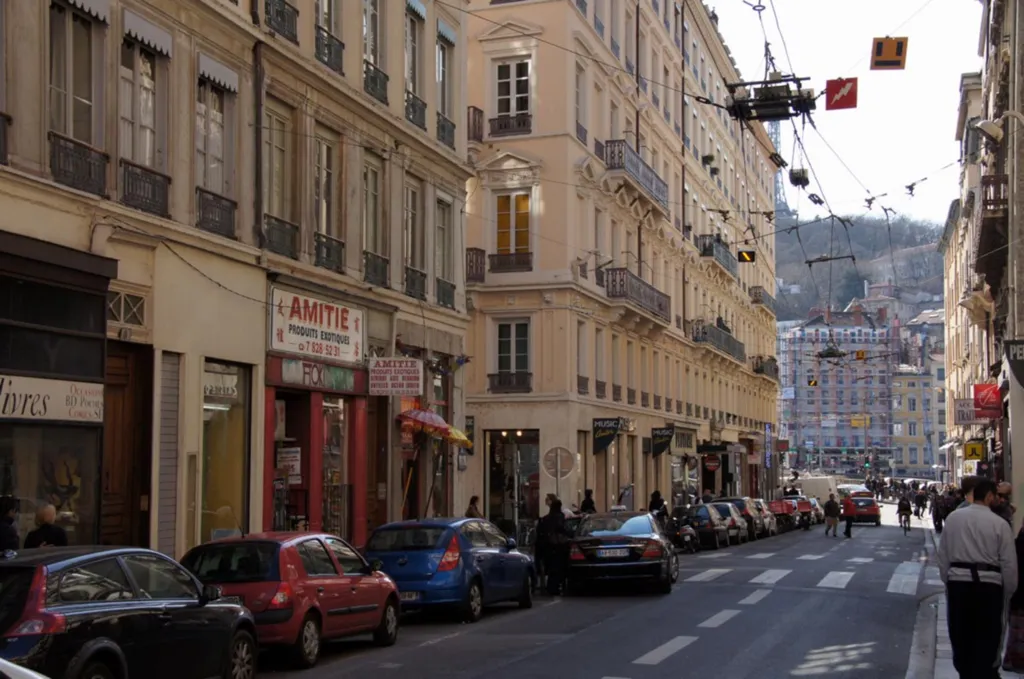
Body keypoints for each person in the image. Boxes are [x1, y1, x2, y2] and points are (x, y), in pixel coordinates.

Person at [938, 478, 1018, 678]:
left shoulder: (954, 519)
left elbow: (943, 556)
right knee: (988, 638)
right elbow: (1008, 563)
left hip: (959, 584)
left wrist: (949, 583)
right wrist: (1007, 593)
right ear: (989, 496)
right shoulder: (999, 524)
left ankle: (965, 672)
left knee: (960, 634)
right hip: (989, 587)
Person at [536, 500, 571, 595]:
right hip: (559, 547)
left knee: (550, 568)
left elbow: (539, 533)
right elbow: (564, 529)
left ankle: (550, 587)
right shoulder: (560, 517)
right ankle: (557, 587)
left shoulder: (545, 519)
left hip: (547, 547)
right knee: (560, 568)